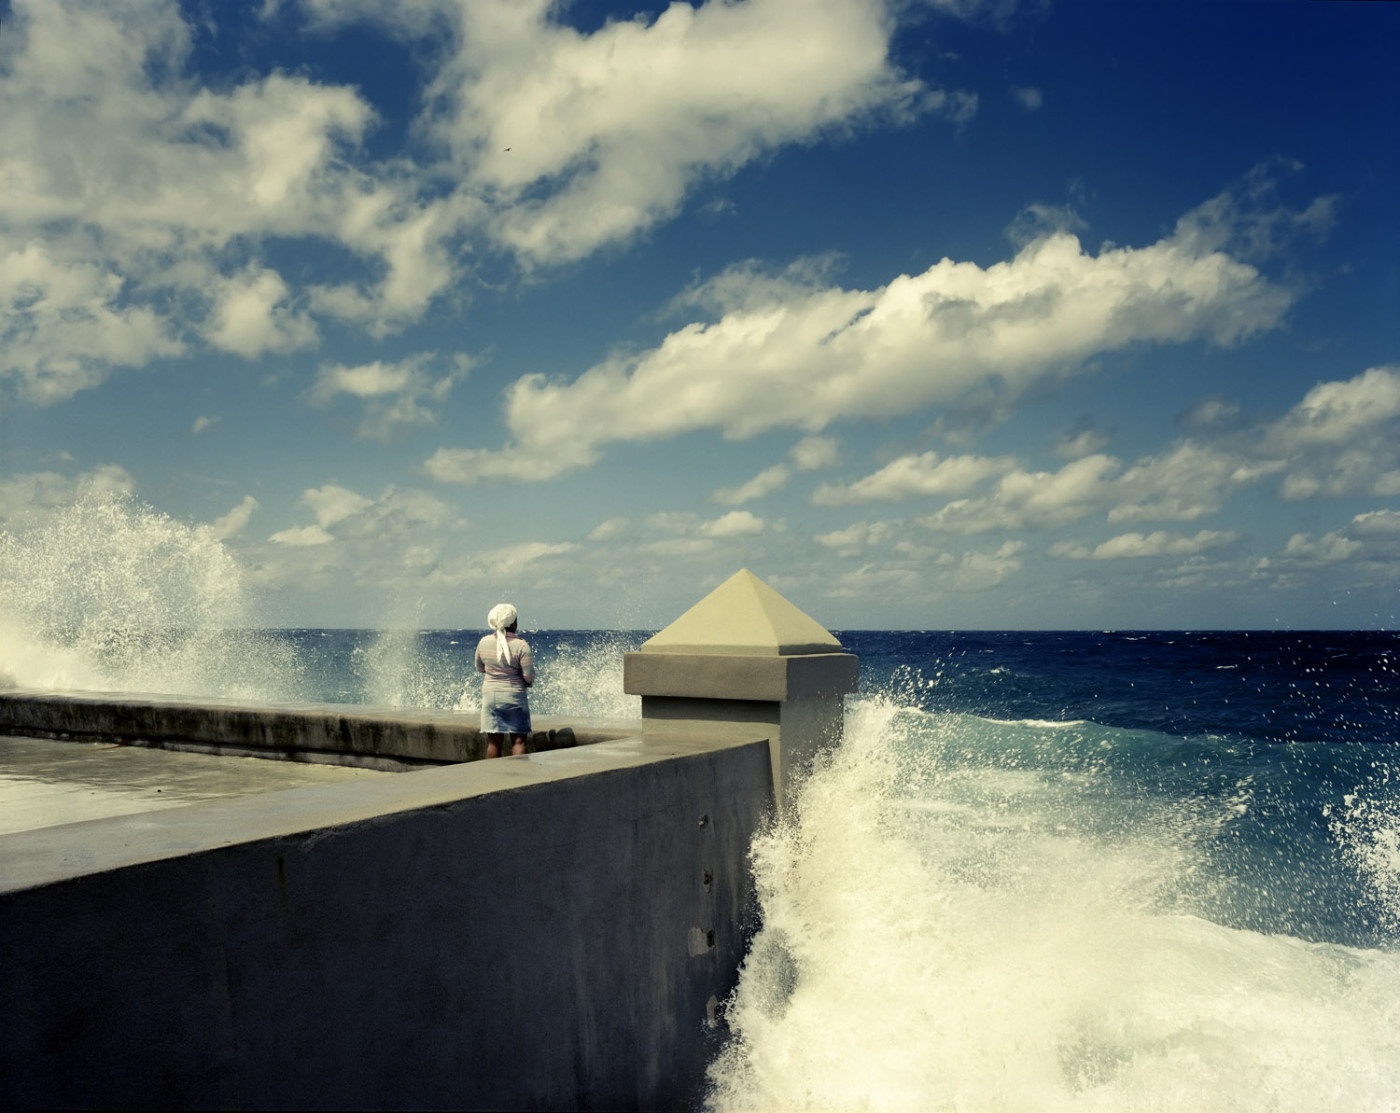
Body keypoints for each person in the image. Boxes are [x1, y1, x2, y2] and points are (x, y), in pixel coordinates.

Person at [475, 603, 534, 757]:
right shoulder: (521, 645)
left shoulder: (483, 642)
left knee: (494, 742)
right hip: (514, 696)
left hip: (490, 696)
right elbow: (528, 676)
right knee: (519, 740)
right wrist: (529, 681)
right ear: (513, 624)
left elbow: (480, 668)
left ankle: (493, 778)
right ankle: (520, 777)